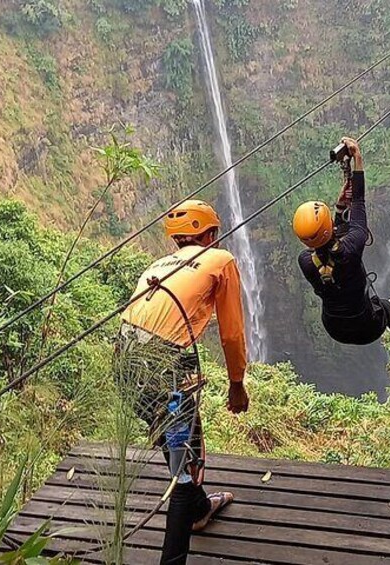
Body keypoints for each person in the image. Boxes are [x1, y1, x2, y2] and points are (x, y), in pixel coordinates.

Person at [116, 200, 250, 565]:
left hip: (125, 366)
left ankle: (201, 509)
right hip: (166, 371)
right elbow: (232, 334)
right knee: (185, 471)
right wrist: (237, 383)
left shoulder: (155, 266)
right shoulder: (219, 260)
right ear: (210, 235)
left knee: (182, 451)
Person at [293, 137, 390, 346]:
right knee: (386, 308)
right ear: (329, 227)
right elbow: (359, 204)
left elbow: (332, 244)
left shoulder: (305, 262)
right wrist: (358, 159)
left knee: (359, 300)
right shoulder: (352, 247)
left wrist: (340, 208)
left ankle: (384, 307)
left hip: (335, 328)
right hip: (366, 328)